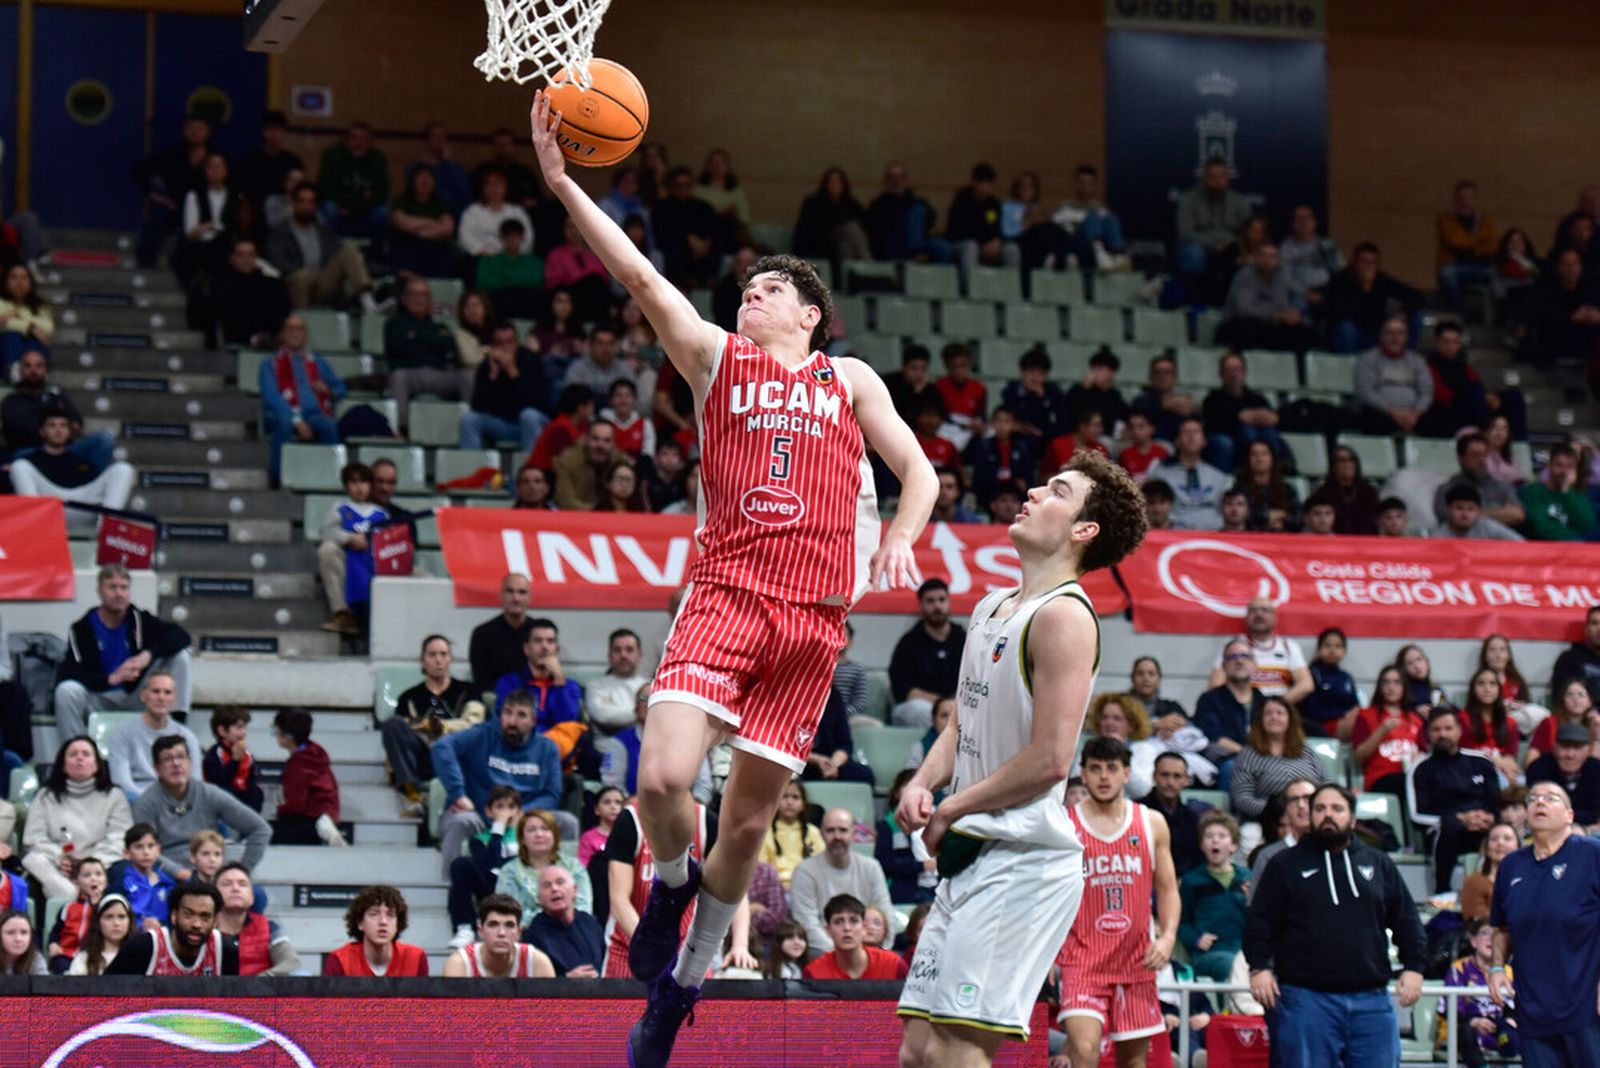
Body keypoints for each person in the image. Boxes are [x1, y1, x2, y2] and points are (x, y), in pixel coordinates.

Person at [531, 91, 935, 1062]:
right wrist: (561, 183)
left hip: (813, 619)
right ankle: (669, 881)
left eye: (764, 290)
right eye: (743, 288)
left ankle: (683, 986)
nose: (745, 297)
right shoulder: (716, 361)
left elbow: (918, 470)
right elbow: (636, 273)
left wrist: (900, 539)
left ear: (808, 313)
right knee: (664, 772)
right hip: (726, 593)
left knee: (748, 823)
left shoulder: (850, 380)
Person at [898, 454, 1149, 1068]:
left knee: (958, 1050)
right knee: (919, 1052)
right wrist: (923, 780)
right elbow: (963, 719)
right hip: (973, 853)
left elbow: (1050, 760)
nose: (1035, 491)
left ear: (1083, 530)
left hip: (1023, 862)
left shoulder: (1064, 616)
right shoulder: (989, 607)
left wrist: (951, 805)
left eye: (1057, 490)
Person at [1245, 783, 1425, 1066]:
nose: (1328, 815)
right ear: (1311, 816)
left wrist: (1414, 967)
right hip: (1306, 1001)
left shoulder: (1378, 863)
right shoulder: (1283, 864)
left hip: (1372, 1001)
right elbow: (1259, 921)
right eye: (1320, 808)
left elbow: (1407, 919)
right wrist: (1259, 968)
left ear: (1352, 819)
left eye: (1337, 809)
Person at [1054, 737, 1181, 1068]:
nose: (1103, 777)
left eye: (1111, 769)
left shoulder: (1151, 822)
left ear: (1126, 773)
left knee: (1134, 1063)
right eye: (1095, 769)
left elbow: (1167, 889)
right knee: (1083, 1049)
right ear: (1083, 772)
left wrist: (1167, 937)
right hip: (1081, 960)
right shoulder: (1064, 824)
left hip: (1136, 960)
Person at [1489, 782, 1600, 1066]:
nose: (1540, 803)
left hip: (1588, 1009)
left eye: (1551, 798)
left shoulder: (1591, 855)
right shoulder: (1512, 866)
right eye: (1533, 799)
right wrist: (1497, 966)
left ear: (1569, 815)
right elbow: (1502, 928)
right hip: (1534, 1011)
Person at [53, 564, 193, 742]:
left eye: (124, 588)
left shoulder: (139, 619)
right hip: (99, 695)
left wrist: (146, 655)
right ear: (100, 591)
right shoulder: (82, 628)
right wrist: (111, 679)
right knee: (66, 691)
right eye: (112, 587)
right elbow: (69, 672)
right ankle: (75, 751)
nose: (119, 593)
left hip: (138, 695)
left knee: (180, 655)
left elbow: (181, 636)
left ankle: (176, 731)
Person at [432, 689, 565, 876]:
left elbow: (553, 793)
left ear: (533, 721)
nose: (512, 721)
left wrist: (523, 813)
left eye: (521, 715)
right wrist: (458, 793)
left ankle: (554, 883)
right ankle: (451, 887)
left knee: (567, 823)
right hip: (480, 814)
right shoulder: (483, 734)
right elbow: (442, 747)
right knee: (460, 821)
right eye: (507, 713)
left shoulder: (547, 748)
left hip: (524, 816)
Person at [131, 735, 270, 878]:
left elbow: (260, 829)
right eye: (167, 759)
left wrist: (241, 871)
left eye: (181, 757)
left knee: (257, 895)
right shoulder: (146, 804)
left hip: (210, 872)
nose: (176, 764)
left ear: (190, 762)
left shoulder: (209, 794)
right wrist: (180, 873)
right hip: (167, 876)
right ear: (156, 769)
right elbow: (143, 852)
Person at [20, 736, 132, 899]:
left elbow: (120, 839)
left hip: (102, 866)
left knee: (122, 870)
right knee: (34, 862)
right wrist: (59, 858)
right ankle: (68, 896)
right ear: (63, 765)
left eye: (86, 754)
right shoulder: (45, 796)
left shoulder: (114, 796)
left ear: (97, 765)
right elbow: (33, 838)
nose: (80, 758)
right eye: (73, 754)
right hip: (58, 866)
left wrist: (89, 865)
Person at [1410, 708, 1502, 893]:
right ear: (1428, 733)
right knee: (1450, 825)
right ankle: (1442, 892)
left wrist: (1490, 818)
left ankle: (1501, 892)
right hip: (1445, 832)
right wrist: (1461, 818)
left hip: (1482, 828)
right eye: (1436, 729)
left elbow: (1498, 803)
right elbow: (1416, 815)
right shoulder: (1420, 768)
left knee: (1504, 829)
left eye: (1448, 728)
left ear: (1459, 731)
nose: (1442, 734)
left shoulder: (1482, 762)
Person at [385, 635, 481, 809]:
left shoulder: (469, 691)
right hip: (424, 757)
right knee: (393, 724)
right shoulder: (409, 697)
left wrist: (439, 727)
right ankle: (412, 794)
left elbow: (474, 723)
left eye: (443, 654)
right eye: (432, 655)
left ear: (450, 658)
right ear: (422, 660)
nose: (439, 660)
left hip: (457, 755)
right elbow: (404, 730)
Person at [789, 807, 895, 955]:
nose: (837, 836)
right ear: (821, 834)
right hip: (823, 951)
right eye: (830, 830)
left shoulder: (871, 867)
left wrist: (875, 953)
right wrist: (844, 954)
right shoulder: (804, 871)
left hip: (869, 950)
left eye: (843, 830)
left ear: (854, 833)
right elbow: (807, 924)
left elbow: (886, 916)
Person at [10, 400, 136, 524]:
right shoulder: (30, 461)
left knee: (123, 469)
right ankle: (37, 528)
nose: (58, 430)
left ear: (69, 432)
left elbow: (96, 489)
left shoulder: (81, 461)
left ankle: (106, 530)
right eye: (52, 425)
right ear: (42, 432)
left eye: (63, 426)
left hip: (81, 506)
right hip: (48, 509)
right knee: (19, 466)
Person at [265, 182, 379, 310]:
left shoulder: (323, 231)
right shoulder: (281, 231)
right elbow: (278, 261)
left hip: (322, 284)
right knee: (302, 277)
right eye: (302, 201)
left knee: (349, 251)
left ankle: (368, 303)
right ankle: (300, 319)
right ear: (294, 203)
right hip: (295, 284)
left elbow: (338, 255)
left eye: (310, 202)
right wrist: (303, 273)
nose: (306, 206)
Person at [259, 314, 345, 483]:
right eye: (290, 329)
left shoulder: (318, 362)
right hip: (282, 414)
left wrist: (329, 391)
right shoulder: (270, 364)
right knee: (283, 422)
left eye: (299, 329)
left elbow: (341, 387)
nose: (295, 333)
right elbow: (271, 397)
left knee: (328, 425)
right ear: (282, 334)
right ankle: (278, 477)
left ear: (305, 334)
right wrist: (296, 420)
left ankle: (331, 478)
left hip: (314, 415)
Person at [385, 277, 472, 432]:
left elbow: (449, 348)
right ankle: (401, 428)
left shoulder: (441, 326)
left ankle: (468, 425)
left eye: (424, 295)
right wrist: (433, 341)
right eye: (414, 294)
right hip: (410, 374)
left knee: (468, 375)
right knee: (398, 376)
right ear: (404, 299)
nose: (419, 299)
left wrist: (415, 337)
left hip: (440, 375)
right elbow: (400, 348)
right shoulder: (394, 324)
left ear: (430, 301)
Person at [106, 881, 239, 976]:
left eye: (205, 917)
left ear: (215, 921)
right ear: (174, 916)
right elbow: (104, 994)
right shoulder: (142, 947)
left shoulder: (226, 951)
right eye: (188, 914)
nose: (196, 924)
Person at [103, 671, 199, 800]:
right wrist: (152, 804)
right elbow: (122, 782)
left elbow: (195, 781)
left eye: (167, 692)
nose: (161, 697)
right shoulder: (121, 733)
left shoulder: (188, 737)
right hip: (136, 800)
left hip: (177, 801)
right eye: (155, 691)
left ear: (174, 699)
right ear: (143, 696)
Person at [1179, 811, 1250, 982]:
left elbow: (1261, 919)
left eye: (1222, 836)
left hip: (1242, 950)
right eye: (1209, 836)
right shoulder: (1192, 880)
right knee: (1230, 965)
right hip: (1209, 954)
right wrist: (1196, 939)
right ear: (1202, 845)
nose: (1215, 840)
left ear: (1233, 845)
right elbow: (1181, 922)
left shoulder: (1247, 878)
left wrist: (1251, 903)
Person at [1229, 696, 1325, 821]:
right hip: (1271, 821)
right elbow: (1242, 799)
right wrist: (1280, 810)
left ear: (1290, 719)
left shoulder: (1307, 752)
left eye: (1280, 713)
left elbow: (1326, 783)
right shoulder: (1248, 754)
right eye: (1268, 713)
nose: (1274, 717)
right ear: (1260, 720)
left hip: (1312, 817)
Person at [1440, 918, 1520, 1068]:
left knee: (1513, 1034)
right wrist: (1474, 1021)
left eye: (1495, 934)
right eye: (1485, 933)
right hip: (1467, 1027)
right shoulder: (1459, 969)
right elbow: (1450, 1006)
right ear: (1474, 941)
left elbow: (1516, 1005)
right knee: (1465, 1032)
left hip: (1497, 1028)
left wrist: (1510, 1020)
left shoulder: (1509, 972)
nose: (1491, 939)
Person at [888, 578, 966, 730]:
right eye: (930, 601)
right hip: (919, 706)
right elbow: (906, 692)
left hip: (956, 702)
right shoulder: (908, 643)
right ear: (921, 606)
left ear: (949, 602)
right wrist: (941, 702)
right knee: (923, 711)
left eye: (942, 600)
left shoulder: (962, 638)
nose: (937, 606)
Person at [1205, 597, 1313, 705]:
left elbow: (1306, 684)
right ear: (1246, 617)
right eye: (1253, 610)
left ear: (1275, 617)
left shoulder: (1288, 646)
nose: (1259, 615)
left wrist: (1274, 706)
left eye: (1265, 610)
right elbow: (1216, 685)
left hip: (1277, 712)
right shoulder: (1232, 646)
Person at [460, 321, 548, 452]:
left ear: (517, 342)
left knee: (529, 416)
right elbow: (477, 406)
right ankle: (472, 469)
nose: (505, 347)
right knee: (469, 419)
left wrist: (512, 372)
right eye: (499, 343)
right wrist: (492, 377)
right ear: (492, 346)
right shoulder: (487, 366)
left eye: (510, 342)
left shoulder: (531, 360)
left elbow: (535, 403)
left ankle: (532, 469)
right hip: (502, 424)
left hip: (528, 424)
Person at [315, 462, 382, 636]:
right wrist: (349, 538)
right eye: (354, 482)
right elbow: (325, 531)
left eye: (364, 482)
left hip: (375, 563)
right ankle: (343, 613)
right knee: (327, 549)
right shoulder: (340, 509)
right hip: (348, 563)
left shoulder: (381, 513)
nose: (359, 487)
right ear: (346, 486)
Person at [1322, 240, 1423, 354]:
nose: (1368, 266)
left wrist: (1404, 312)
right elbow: (1339, 312)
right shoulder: (1340, 280)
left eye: (1373, 262)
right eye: (1364, 261)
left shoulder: (1380, 279)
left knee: (1415, 316)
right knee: (1345, 329)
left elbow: (1415, 295)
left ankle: (1407, 360)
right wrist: (1364, 289)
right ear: (1354, 262)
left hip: (1378, 333)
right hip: (1353, 333)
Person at [1216, 244, 1321, 353]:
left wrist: (1290, 316)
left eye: (1272, 257)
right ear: (1256, 258)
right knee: (1253, 326)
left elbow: (1281, 307)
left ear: (1278, 261)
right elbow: (1244, 310)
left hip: (1267, 324)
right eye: (1263, 256)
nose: (1267, 261)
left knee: (1301, 331)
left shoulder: (1280, 278)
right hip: (1235, 325)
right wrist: (1276, 314)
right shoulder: (1245, 276)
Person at [1175, 159, 1253, 303]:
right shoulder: (1188, 199)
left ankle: (1237, 303)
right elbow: (1185, 233)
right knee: (1193, 253)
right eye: (1212, 177)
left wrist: (1231, 244)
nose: (1217, 181)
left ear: (1228, 178)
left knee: (1249, 255)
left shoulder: (1239, 201)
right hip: (1200, 247)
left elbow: (1249, 232)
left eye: (1221, 177)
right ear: (1204, 177)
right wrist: (1214, 244)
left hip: (1231, 247)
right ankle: (1196, 300)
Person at [1193, 640, 1265, 792]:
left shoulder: (1264, 701)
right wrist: (1248, 755)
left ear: (1254, 665)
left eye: (1245, 656)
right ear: (1224, 666)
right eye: (1233, 657)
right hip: (1224, 761)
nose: (1239, 660)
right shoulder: (1209, 700)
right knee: (1234, 767)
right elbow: (1215, 738)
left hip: (1262, 759)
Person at [267, 709, 345, 847]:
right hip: (327, 815)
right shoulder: (315, 754)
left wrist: (278, 810)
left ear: (287, 737)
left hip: (310, 821)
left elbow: (295, 805)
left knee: (269, 833)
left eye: (277, 731)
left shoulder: (297, 765)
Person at [214, 862, 301, 976]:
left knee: (301, 974)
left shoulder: (270, 927)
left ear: (251, 897)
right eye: (227, 884)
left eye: (242, 884)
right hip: (211, 992)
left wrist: (256, 984)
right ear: (213, 894)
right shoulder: (201, 927)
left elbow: (291, 962)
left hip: (260, 991)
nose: (235, 888)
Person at [321, 884, 428, 977]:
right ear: (360, 923)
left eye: (390, 915)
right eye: (374, 914)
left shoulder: (415, 958)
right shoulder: (339, 960)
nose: (383, 922)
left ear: (397, 924)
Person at [1350, 666, 1425, 794]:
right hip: (1380, 779)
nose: (1391, 687)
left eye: (1397, 682)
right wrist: (1382, 730)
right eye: (1386, 682)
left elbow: (1423, 754)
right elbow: (1359, 757)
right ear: (1379, 686)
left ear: (1404, 687)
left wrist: (1419, 757)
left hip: (1410, 775)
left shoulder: (1416, 719)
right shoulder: (1366, 715)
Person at [206, 238, 292, 350]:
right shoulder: (220, 285)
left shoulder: (272, 284)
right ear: (232, 258)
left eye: (251, 255)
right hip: (234, 341)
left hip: (267, 342)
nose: (246, 259)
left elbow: (282, 312)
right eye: (241, 255)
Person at [1354, 315, 1433, 435]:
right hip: (1382, 412)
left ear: (1406, 337)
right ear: (1381, 336)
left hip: (1413, 413)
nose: (1395, 337)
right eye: (1390, 333)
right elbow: (1366, 392)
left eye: (1400, 333)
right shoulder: (1368, 359)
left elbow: (1426, 392)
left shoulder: (1417, 361)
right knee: (1372, 418)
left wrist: (1415, 413)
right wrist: (1392, 412)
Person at [444, 893, 555, 978]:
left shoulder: (537, 962)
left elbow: (550, 1007)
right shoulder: (460, 963)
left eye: (509, 925)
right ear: (480, 931)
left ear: (519, 933)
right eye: (493, 925)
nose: (501, 933)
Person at [523, 864, 606, 977]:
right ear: (539, 898)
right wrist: (566, 980)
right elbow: (533, 983)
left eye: (560, 882)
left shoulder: (590, 923)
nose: (554, 889)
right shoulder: (533, 935)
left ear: (574, 890)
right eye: (547, 886)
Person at [802, 894, 908, 980]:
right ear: (828, 930)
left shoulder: (894, 965)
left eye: (854, 921)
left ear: (864, 928)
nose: (847, 928)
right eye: (838, 922)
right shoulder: (814, 972)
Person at [1434, 432, 1526, 531]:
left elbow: (1517, 515)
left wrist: (1469, 515)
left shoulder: (1502, 487)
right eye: (1475, 455)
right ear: (1461, 458)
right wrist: (1501, 514)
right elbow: (1448, 519)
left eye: (1484, 455)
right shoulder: (1447, 489)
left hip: (1497, 542)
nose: (1481, 460)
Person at [1150, 417, 1229, 531]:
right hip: (1174, 536)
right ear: (1177, 441)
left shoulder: (1218, 477)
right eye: (1186, 433)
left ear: (1204, 441)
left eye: (1196, 432)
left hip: (1214, 536)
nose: (1191, 437)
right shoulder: (1161, 475)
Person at [1437, 180, 1501, 312]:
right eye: (1461, 198)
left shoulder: (1484, 221)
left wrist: (1473, 249)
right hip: (1455, 266)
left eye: (1469, 198)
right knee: (1447, 274)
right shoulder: (1445, 219)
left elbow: (1495, 246)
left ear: (1475, 199)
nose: (1465, 202)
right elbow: (1457, 242)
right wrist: (1480, 239)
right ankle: (1460, 315)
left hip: (1481, 267)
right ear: (1455, 200)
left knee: (1501, 273)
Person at [317, 121, 389, 237]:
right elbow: (326, 189)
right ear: (346, 139)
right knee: (329, 208)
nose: (359, 143)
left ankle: (377, 252)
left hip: (364, 210)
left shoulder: (378, 159)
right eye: (354, 138)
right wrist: (349, 203)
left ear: (370, 142)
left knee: (383, 211)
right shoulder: (332, 155)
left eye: (364, 139)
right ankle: (329, 250)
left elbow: (381, 193)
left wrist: (354, 208)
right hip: (340, 208)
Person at [1141, 751, 1206, 878]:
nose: (1170, 782)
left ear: (1186, 780)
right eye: (1164, 775)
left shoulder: (1192, 818)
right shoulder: (1137, 812)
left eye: (1177, 776)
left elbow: (1198, 861)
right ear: (1154, 776)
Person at [469, 573, 535, 695]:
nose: (516, 598)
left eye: (522, 592)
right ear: (500, 596)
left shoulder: (540, 634)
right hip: (495, 702)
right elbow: (481, 682)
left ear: (530, 598)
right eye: (510, 591)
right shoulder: (482, 634)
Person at [1248, 778, 1317, 894]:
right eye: (1293, 800)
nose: (1301, 805)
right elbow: (1257, 908)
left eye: (1307, 798)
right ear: (1286, 808)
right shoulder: (1268, 856)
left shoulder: (1334, 848)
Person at [1526, 723, 1600, 829]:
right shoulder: (1539, 768)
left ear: (1588, 750)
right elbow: (1536, 809)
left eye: (1577, 748)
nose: (1570, 755)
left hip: (1589, 830)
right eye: (1565, 747)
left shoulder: (1596, 770)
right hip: (1547, 829)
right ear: (1554, 747)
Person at [1523, 443, 1598, 540]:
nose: (1564, 472)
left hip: (1579, 545)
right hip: (1550, 546)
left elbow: (1587, 525)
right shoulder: (1535, 491)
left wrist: (1566, 492)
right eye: (1559, 466)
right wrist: (1574, 536)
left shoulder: (1575, 494)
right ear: (1549, 465)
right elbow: (1542, 529)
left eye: (1570, 467)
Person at [759, 779, 824, 891]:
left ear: (804, 804)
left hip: (807, 887)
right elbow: (761, 869)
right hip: (775, 888)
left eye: (795, 797)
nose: (789, 802)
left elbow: (822, 864)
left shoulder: (813, 832)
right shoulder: (765, 833)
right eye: (784, 796)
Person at [1459, 668, 1524, 780]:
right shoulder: (1462, 719)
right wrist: (1495, 760)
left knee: (1520, 780)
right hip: (1472, 772)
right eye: (1481, 684)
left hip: (1504, 770)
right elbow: (1464, 755)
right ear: (1473, 689)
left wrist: (1508, 770)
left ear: (1499, 689)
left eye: (1492, 684)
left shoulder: (1510, 722)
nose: (1487, 688)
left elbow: (1510, 757)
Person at [45, 855, 106, 972]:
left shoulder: (108, 907)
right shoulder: (68, 907)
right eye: (87, 875)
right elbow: (56, 931)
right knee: (59, 965)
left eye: (98, 874)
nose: (94, 879)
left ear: (106, 881)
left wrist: (96, 906)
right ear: (77, 881)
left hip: (96, 956)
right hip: (67, 954)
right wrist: (53, 944)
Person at [553, 419, 628, 511]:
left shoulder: (621, 462)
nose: (600, 445)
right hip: (575, 519)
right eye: (595, 439)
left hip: (611, 520)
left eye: (606, 441)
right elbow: (566, 502)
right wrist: (600, 512)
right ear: (587, 439)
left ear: (613, 443)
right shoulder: (568, 460)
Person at [1303, 628, 1361, 739]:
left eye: (1338, 646)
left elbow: (1355, 706)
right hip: (1319, 725)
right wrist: (1343, 715)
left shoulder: (1346, 678)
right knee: (1358, 725)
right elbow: (1310, 710)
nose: (1332, 650)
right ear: (1319, 649)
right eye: (1327, 645)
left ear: (1344, 651)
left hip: (1343, 723)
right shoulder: (1311, 674)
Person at [1527, 680, 1599, 768]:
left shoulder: (1596, 724)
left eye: (1581, 695)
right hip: (1552, 773)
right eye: (1569, 694)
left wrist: (1596, 735)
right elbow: (1531, 759)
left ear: (1590, 701)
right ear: (1563, 700)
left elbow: (1595, 766)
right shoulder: (1549, 723)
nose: (1575, 699)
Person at [1459, 821, 1519, 922]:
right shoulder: (1474, 882)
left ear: (1518, 847)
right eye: (1494, 839)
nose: (1500, 843)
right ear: (1486, 849)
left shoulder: (1530, 881)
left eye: (1507, 839)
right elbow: (1477, 925)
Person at [1315, 445, 1381, 536]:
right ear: (1333, 467)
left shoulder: (1369, 492)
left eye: (1351, 460)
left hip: (1365, 542)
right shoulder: (1323, 493)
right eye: (1342, 460)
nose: (1347, 464)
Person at [68, 893, 133, 975]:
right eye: (109, 917)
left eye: (121, 917)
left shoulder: (140, 959)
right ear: (98, 922)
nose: (116, 923)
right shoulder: (83, 960)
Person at [1551, 605, 1600, 705]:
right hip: (1581, 718)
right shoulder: (1569, 660)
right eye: (1594, 623)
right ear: (1586, 629)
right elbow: (1560, 698)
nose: (1599, 629)